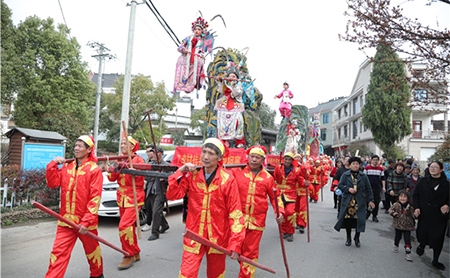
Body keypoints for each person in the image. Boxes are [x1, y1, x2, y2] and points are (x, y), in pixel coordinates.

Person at [167, 138, 245, 277]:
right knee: (186, 274)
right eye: (204, 152)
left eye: (211, 153)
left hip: (218, 236)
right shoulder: (193, 175)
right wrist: (180, 171)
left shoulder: (227, 179)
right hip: (194, 234)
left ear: (220, 157)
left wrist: (235, 243)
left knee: (216, 274)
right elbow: (173, 195)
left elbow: (235, 213)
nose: (205, 157)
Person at [45, 135, 104, 278]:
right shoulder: (67, 166)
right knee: (58, 254)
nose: (76, 148)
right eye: (75, 145)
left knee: (92, 252)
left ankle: (97, 275)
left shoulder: (94, 170)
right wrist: (52, 165)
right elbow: (52, 183)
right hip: (65, 220)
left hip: (85, 223)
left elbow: (94, 199)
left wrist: (86, 221)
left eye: (80, 146)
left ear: (89, 150)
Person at [230, 146, 284, 278]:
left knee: (250, 253)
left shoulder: (268, 178)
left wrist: (280, 211)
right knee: (236, 250)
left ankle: (246, 275)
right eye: (252, 156)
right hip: (236, 220)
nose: (254, 160)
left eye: (257, 157)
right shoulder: (236, 172)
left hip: (256, 222)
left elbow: (275, 197)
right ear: (248, 157)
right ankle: (245, 268)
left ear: (262, 160)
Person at [107, 136, 145, 270]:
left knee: (123, 226)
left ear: (132, 147)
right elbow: (112, 178)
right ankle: (136, 251)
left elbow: (140, 177)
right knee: (129, 227)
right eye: (121, 143)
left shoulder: (138, 159)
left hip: (134, 196)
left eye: (125, 143)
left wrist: (127, 166)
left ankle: (128, 254)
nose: (122, 145)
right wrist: (111, 168)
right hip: (122, 197)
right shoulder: (119, 158)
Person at [413, 161, 449, 270]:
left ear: (441, 169)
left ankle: (435, 260)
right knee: (423, 233)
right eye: (431, 167)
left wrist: (448, 205)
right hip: (425, 213)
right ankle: (422, 245)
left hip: (439, 216)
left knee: (438, 238)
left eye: (435, 167)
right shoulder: (423, 181)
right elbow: (415, 195)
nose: (432, 169)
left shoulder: (446, 184)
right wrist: (417, 208)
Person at [334, 156, 375, 247]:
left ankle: (357, 237)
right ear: (350, 165)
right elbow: (340, 185)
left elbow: (368, 189)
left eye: (357, 164)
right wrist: (348, 189)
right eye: (353, 164)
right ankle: (348, 238)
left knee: (359, 220)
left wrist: (371, 200)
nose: (355, 166)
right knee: (348, 220)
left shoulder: (363, 176)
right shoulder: (345, 175)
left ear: (359, 165)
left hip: (360, 201)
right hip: (348, 202)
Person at [174, 16, 213, 93]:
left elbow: (203, 51)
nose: (196, 31)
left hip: (196, 61)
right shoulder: (188, 38)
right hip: (186, 60)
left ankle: (194, 84)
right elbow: (180, 47)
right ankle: (183, 84)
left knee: (198, 69)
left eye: (199, 29)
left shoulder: (203, 41)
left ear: (202, 31)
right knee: (183, 72)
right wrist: (184, 50)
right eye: (195, 29)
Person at [273, 152, 301, 242]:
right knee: (282, 213)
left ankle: (290, 232)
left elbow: (301, 180)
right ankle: (283, 231)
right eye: (286, 159)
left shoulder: (297, 170)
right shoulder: (278, 167)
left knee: (290, 213)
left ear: (292, 161)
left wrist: (305, 183)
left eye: (289, 159)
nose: (287, 161)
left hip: (291, 195)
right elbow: (273, 178)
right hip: (279, 193)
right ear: (283, 159)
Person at [214, 69, 246, 148]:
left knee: (239, 122)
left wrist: (232, 83)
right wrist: (220, 82)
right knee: (222, 122)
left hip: (236, 107)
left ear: (237, 78)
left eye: (233, 76)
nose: (231, 77)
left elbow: (236, 93)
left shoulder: (240, 86)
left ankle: (239, 142)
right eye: (229, 76)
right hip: (225, 108)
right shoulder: (226, 85)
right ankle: (224, 141)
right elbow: (222, 90)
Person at [147, 147, 170, 241]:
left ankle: (155, 233)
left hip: (161, 191)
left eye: (157, 153)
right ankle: (164, 225)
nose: (155, 155)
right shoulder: (150, 164)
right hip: (151, 191)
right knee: (154, 211)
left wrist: (164, 179)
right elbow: (146, 177)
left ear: (161, 154)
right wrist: (155, 174)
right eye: (154, 153)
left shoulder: (167, 165)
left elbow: (172, 178)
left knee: (156, 211)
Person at [389, 190, 415, 261]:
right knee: (398, 236)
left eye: (404, 197)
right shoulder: (396, 204)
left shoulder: (410, 206)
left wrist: (415, 214)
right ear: (398, 197)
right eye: (401, 196)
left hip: (407, 225)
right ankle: (396, 245)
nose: (402, 198)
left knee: (407, 239)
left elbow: (413, 215)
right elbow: (390, 210)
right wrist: (393, 213)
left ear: (408, 198)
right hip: (398, 224)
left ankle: (408, 251)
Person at [364, 154, 385, 222]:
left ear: (378, 161)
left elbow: (383, 178)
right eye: (374, 160)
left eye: (376, 160)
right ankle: (367, 213)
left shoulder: (380, 169)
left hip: (377, 188)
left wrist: (384, 187)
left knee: (376, 202)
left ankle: (374, 215)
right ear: (371, 160)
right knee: (368, 201)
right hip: (368, 188)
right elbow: (363, 178)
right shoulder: (367, 168)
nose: (375, 161)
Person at [141, 145, 155, 232]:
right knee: (150, 206)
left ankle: (148, 223)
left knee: (150, 205)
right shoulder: (146, 161)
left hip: (154, 187)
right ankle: (164, 224)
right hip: (146, 186)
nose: (148, 153)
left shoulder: (157, 162)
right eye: (147, 151)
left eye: (150, 151)